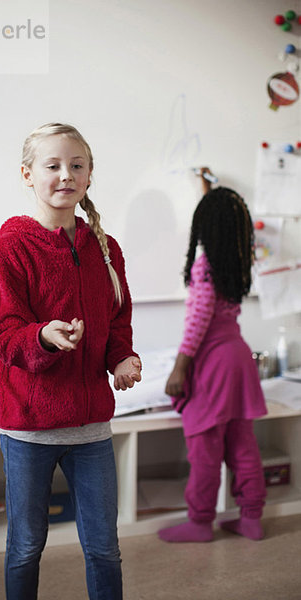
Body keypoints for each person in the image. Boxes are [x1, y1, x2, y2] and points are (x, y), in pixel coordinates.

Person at [0, 123, 142, 599]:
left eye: (76, 165)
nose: (65, 175)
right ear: (28, 175)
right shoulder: (11, 247)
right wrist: (44, 338)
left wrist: (122, 359)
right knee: (26, 546)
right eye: (52, 165)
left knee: (103, 549)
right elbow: (4, 333)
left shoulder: (106, 248)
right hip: (29, 428)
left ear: (90, 175)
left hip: (91, 428)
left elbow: (116, 321)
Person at [158, 170, 267, 544]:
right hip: (239, 356)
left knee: (205, 445)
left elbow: (199, 318)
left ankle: (200, 521)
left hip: (216, 362)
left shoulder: (206, 266)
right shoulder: (237, 264)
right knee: (242, 442)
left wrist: (179, 366)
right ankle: (251, 518)